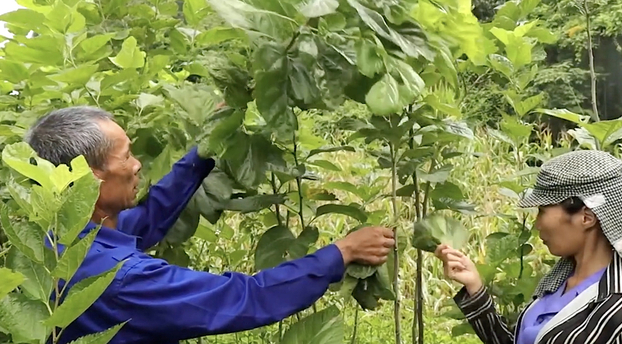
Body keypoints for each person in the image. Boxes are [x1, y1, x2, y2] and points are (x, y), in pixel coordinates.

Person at [25, 106, 396, 344]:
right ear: (91, 177)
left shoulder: (53, 237)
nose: (137, 165)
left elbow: (146, 222)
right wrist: (341, 252)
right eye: (126, 157)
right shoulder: (121, 278)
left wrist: (205, 150)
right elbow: (243, 297)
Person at [435, 150, 622, 344]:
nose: (537, 224)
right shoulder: (558, 282)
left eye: (542, 210)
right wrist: (475, 288)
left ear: (586, 217)